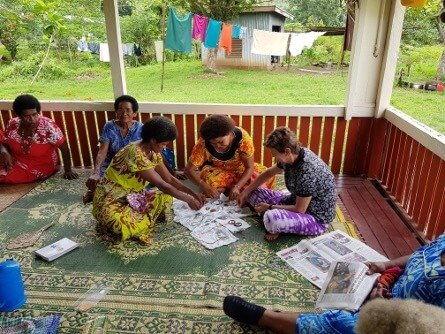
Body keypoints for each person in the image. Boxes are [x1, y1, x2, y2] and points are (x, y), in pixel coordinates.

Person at [223, 233, 445, 334]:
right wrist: (387, 267)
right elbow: (419, 256)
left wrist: (385, 308)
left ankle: (268, 318)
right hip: (386, 292)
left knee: (341, 322)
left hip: (399, 322)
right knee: (346, 278)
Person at [92, 116, 205, 244]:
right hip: (112, 197)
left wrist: (193, 193)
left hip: (132, 195)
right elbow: (162, 184)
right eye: (163, 144)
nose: (164, 147)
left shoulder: (153, 152)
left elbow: (170, 179)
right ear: (152, 140)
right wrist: (188, 199)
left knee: (165, 197)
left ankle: (139, 216)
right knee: (117, 223)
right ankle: (128, 219)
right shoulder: (134, 153)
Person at [237, 127, 336, 241]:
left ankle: (275, 222)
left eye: (275, 155)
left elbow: (300, 210)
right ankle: (273, 218)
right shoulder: (293, 156)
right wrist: (245, 192)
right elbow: (268, 173)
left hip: (315, 217)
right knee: (252, 192)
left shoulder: (307, 171)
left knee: (272, 217)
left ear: (287, 151)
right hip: (295, 200)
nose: (274, 158)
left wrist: (269, 207)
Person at [83, 95, 181, 203]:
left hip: (135, 165)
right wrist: (96, 172)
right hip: (114, 166)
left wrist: (172, 173)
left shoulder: (141, 128)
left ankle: (117, 195)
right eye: (120, 109)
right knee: (102, 182)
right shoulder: (109, 126)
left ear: (134, 113)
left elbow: (157, 152)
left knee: (156, 181)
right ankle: (99, 194)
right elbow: (102, 150)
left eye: (128, 110)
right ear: (116, 112)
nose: (124, 113)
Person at [184, 114, 274, 201]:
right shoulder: (203, 142)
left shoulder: (243, 139)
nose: (217, 146)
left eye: (221, 142)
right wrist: (204, 186)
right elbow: (188, 170)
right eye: (213, 143)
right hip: (218, 170)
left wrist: (237, 186)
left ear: (230, 133)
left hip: (242, 170)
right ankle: (231, 191)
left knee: (266, 175)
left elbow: (249, 167)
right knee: (209, 178)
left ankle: (227, 190)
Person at [0, 94, 78, 183]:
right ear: (19, 116)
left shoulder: (48, 126)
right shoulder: (13, 124)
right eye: (27, 116)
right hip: (14, 160)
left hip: (39, 166)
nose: (33, 119)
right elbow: (4, 142)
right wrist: (4, 151)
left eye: (35, 114)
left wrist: (68, 170)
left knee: (4, 176)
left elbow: (64, 149)